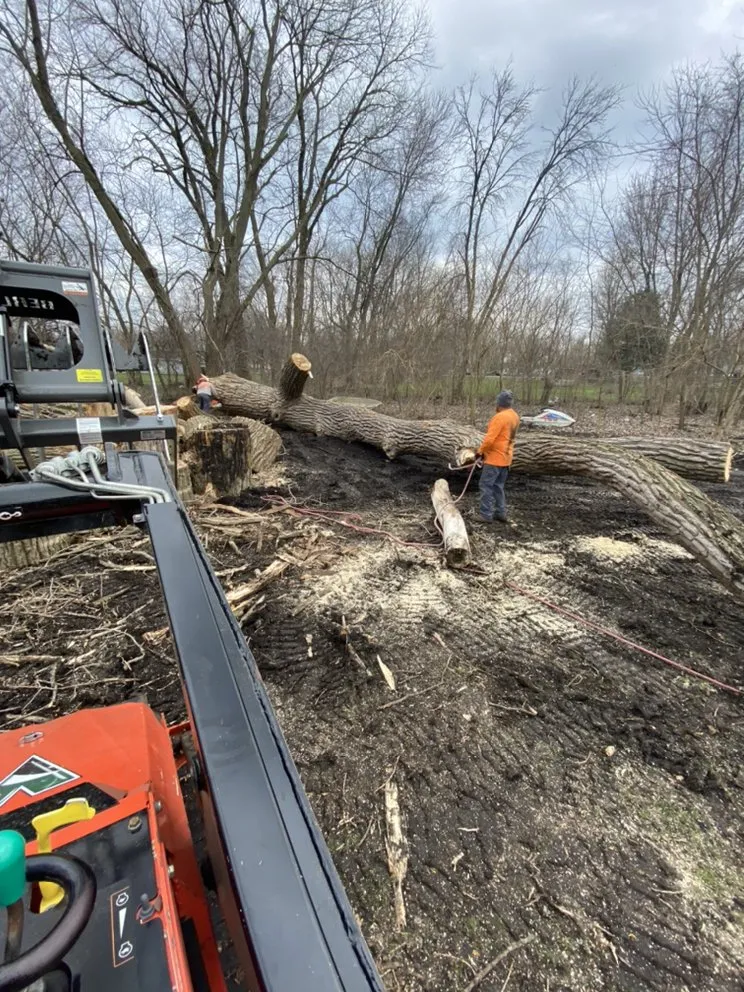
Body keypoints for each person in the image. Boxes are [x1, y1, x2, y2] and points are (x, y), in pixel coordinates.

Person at [476, 390, 520, 524]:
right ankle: (501, 513)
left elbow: (490, 439)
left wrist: (480, 452)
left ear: (499, 403)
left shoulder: (499, 417)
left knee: (485, 486)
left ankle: (485, 514)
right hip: (506, 458)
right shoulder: (515, 416)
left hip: (494, 459)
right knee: (498, 487)